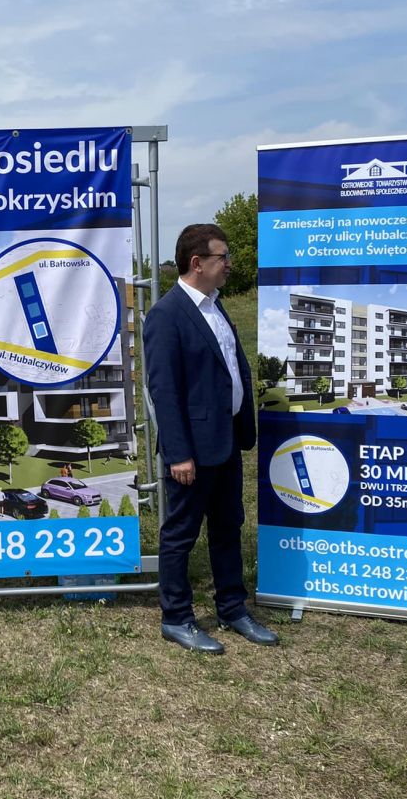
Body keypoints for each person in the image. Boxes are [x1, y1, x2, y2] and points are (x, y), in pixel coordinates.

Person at [144, 223, 277, 653]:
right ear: (197, 262)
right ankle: (176, 617)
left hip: (226, 441)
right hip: (192, 451)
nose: (230, 264)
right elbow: (164, 391)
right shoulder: (167, 315)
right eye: (223, 257)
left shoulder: (216, 307)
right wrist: (178, 454)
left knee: (227, 527)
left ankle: (232, 608)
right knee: (180, 534)